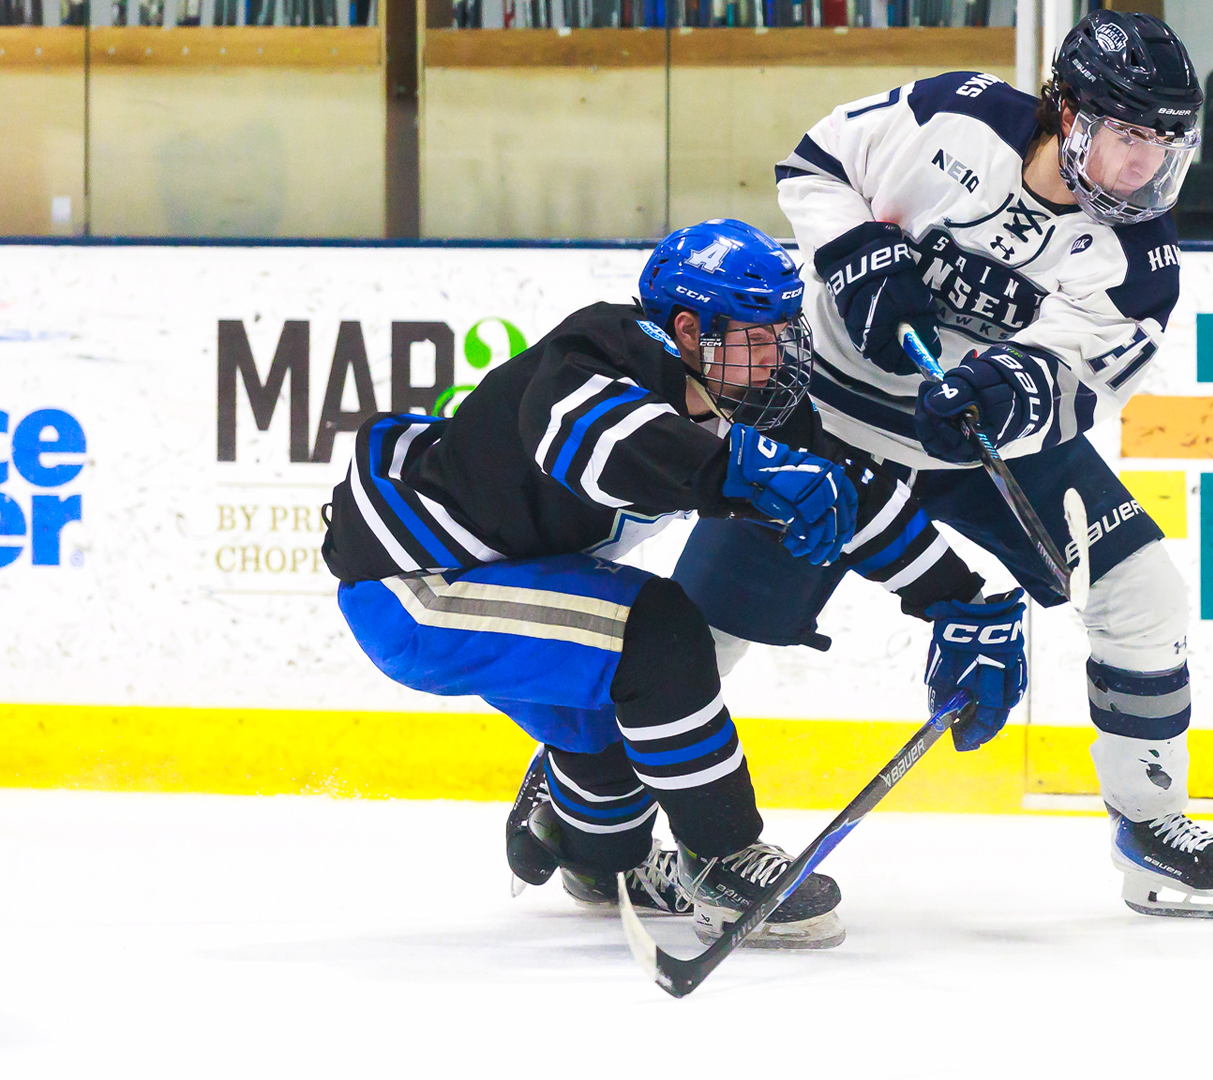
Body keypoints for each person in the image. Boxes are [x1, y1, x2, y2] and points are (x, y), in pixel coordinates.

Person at [672, 11, 1213, 920]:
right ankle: (603, 818)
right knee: (696, 635)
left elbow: (1083, 385)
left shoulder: (1143, 258)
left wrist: (1005, 392)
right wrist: (856, 256)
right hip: (824, 412)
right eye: (1130, 135)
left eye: (1165, 144)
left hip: (975, 447)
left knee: (1142, 591)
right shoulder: (955, 118)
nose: (1146, 166)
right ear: (1069, 113)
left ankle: (1153, 827)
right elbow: (815, 164)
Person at [321, 218, 1026, 949]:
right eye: (757, 337)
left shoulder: (751, 396)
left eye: (787, 333)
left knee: (628, 740)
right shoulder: (592, 356)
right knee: (657, 634)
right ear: (688, 330)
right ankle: (722, 860)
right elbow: (598, 442)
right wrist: (737, 475)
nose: (780, 357)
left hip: (505, 574)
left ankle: (595, 860)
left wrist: (957, 597)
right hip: (418, 586)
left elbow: (852, 496)